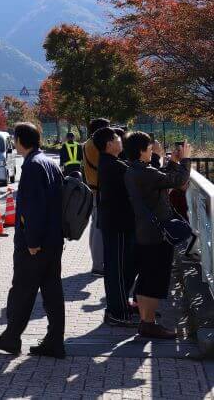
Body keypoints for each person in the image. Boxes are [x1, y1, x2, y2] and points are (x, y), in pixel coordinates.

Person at [0, 122, 66, 358]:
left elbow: (33, 209)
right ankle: (55, 341)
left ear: (20, 140)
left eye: (14, 138)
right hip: (53, 239)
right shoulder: (50, 163)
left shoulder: (32, 166)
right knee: (52, 291)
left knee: (22, 290)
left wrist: (32, 241)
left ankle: (11, 338)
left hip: (35, 244)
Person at [123, 131, 191, 339]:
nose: (152, 151)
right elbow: (179, 180)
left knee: (146, 277)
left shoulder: (133, 170)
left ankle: (146, 322)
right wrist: (186, 159)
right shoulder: (145, 173)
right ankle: (149, 324)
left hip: (144, 231)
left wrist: (173, 162)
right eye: (150, 148)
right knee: (154, 280)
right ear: (141, 151)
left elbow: (161, 179)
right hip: (157, 234)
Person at [94, 126, 137, 326]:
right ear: (109, 144)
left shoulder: (109, 162)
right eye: (117, 138)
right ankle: (117, 312)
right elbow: (138, 175)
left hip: (115, 223)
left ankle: (119, 305)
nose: (121, 139)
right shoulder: (113, 165)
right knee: (117, 270)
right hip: (117, 224)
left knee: (120, 267)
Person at [82, 118, 110, 275]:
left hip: (94, 189)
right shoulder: (95, 145)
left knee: (95, 226)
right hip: (99, 189)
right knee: (99, 227)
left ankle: (97, 261)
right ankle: (98, 265)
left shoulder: (88, 143)